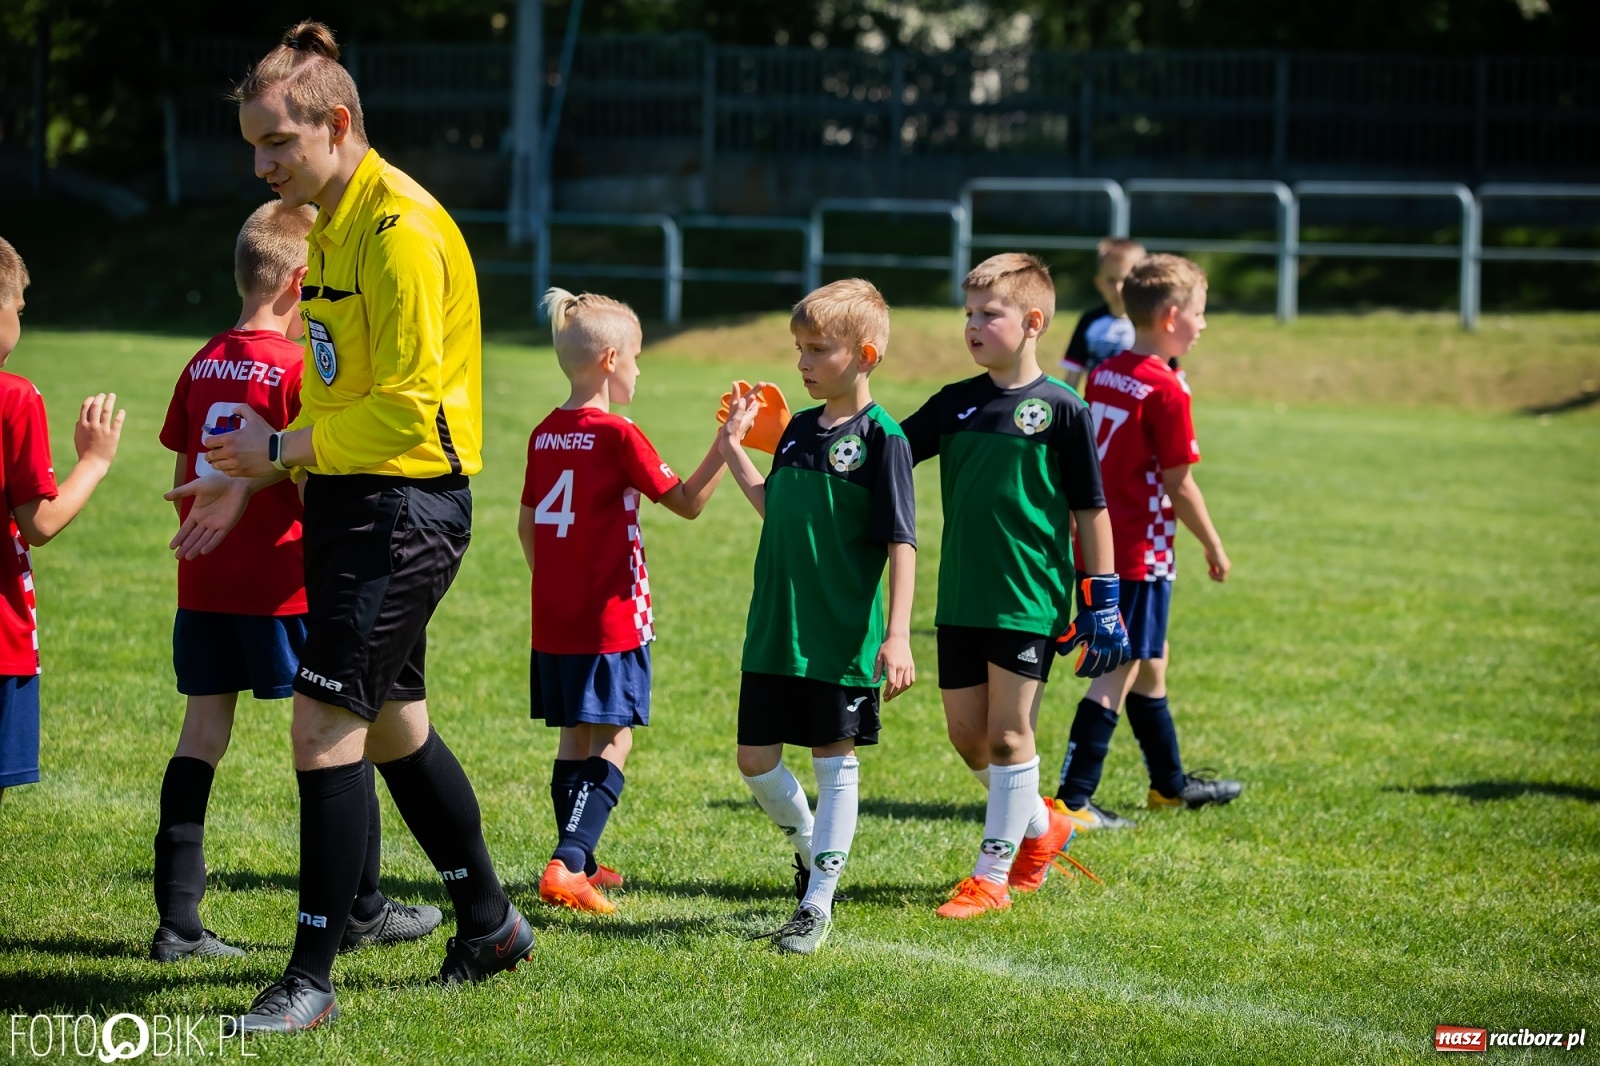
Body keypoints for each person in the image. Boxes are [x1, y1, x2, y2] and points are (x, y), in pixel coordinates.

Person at [170, 22, 528, 1034]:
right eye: (254, 145)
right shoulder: (326, 225)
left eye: (277, 142)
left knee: (323, 726)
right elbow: (343, 395)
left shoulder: (398, 230)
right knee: (392, 725)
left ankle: (311, 979)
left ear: (336, 124)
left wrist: (278, 455)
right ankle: (490, 923)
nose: (262, 162)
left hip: (404, 505)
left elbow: (412, 409)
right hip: (350, 497)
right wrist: (263, 470)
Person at [150, 201, 440, 962]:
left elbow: (189, 475)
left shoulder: (203, 358)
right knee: (342, 729)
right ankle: (365, 907)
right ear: (302, 281)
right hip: (286, 585)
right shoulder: (293, 367)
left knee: (200, 735)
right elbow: (316, 483)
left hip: (206, 579)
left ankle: (177, 922)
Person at [900, 253, 1130, 920]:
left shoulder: (1064, 410)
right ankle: (1042, 826)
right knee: (967, 737)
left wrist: (1103, 598)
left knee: (1007, 737)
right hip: (962, 595)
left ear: (1032, 322)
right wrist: (809, 438)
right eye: (968, 314)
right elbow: (891, 450)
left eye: (988, 314)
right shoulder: (955, 402)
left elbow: (1092, 510)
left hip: (1028, 596)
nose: (972, 326)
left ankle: (991, 876)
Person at [719, 279, 916, 955]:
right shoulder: (800, 430)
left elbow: (902, 541)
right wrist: (732, 451)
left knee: (834, 759)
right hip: (775, 625)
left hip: (838, 637)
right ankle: (809, 848)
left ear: (865, 355)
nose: (801, 363)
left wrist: (896, 636)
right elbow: (778, 511)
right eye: (798, 348)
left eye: (817, 350)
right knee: (754, 761)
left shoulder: (884, 439)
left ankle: (818, 904)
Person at [519, 287, 728, 915]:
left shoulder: (543, 432)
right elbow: (687, 503)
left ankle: (574, 851)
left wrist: (556, 579)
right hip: (612, 618)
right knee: (613, 739)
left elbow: (528, 525)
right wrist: (728, 441)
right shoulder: (617, 434)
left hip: (554, 616)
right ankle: (570, 861)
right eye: (637, 357)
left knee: (573, 737)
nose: (640, 369)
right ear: (611, 359)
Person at [1052, 254, 1242, 832]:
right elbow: (1178, 484)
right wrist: (1213, 543)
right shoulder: (1166, 387)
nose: (1203, 325)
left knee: (1150, 666)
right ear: (1169, 316)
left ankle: (1169, 785)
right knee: (1120, 669)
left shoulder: (1107, 371)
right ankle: (1072, 800)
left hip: (1102, 540)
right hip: (1138, 551)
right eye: (1199, 314)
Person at [0, 237, 124, 809]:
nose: (20, 324)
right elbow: (39, 523)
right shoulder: (14, 398)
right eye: (18, 310)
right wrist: (94, 462)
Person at [1060, 238, 1145, 392]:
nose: (1119, 288)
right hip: (1097, 410)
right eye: (1111, 281)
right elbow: (1071, 379)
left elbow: (1172, 378)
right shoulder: (1089, 322)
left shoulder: (1150, 323)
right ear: (1099, 283)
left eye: (1125, 280)